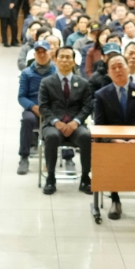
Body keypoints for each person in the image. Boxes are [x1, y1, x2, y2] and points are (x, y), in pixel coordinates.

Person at [94, 53, 135, 220]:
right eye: (113, 68)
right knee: (107, 152)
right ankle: (115, 200)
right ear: (108, 73)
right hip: (113, 140)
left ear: (128, 68)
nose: (118, 70)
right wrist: (114, 140)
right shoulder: (101, 95)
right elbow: (99, 126)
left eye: (121, 66)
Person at [38, 46, 93, 195]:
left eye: (68, 57)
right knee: (52, 136)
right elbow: (43, 107)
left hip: (75, 125)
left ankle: (85, 178)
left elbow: (87, 107)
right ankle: (50, 178)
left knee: (86, 136)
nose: (64, 60)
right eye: (61, 57)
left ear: (74, 61)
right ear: (55, 60)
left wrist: (76, 122)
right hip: (53, 124)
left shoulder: (83, 83)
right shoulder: (46, 82)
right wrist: (56, 122)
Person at [17, 40, 57, 175]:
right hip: (33, 108)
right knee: (27, 120)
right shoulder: (27, 73)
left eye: (44, 52)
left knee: (63, 119)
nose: (41, 55)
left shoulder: (56, 72)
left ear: (49, 53)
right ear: (34, 55)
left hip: (52, 109)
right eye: (38, 52)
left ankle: (67, 157)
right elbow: (21, 96)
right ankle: (24, 157)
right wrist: (33, 107)